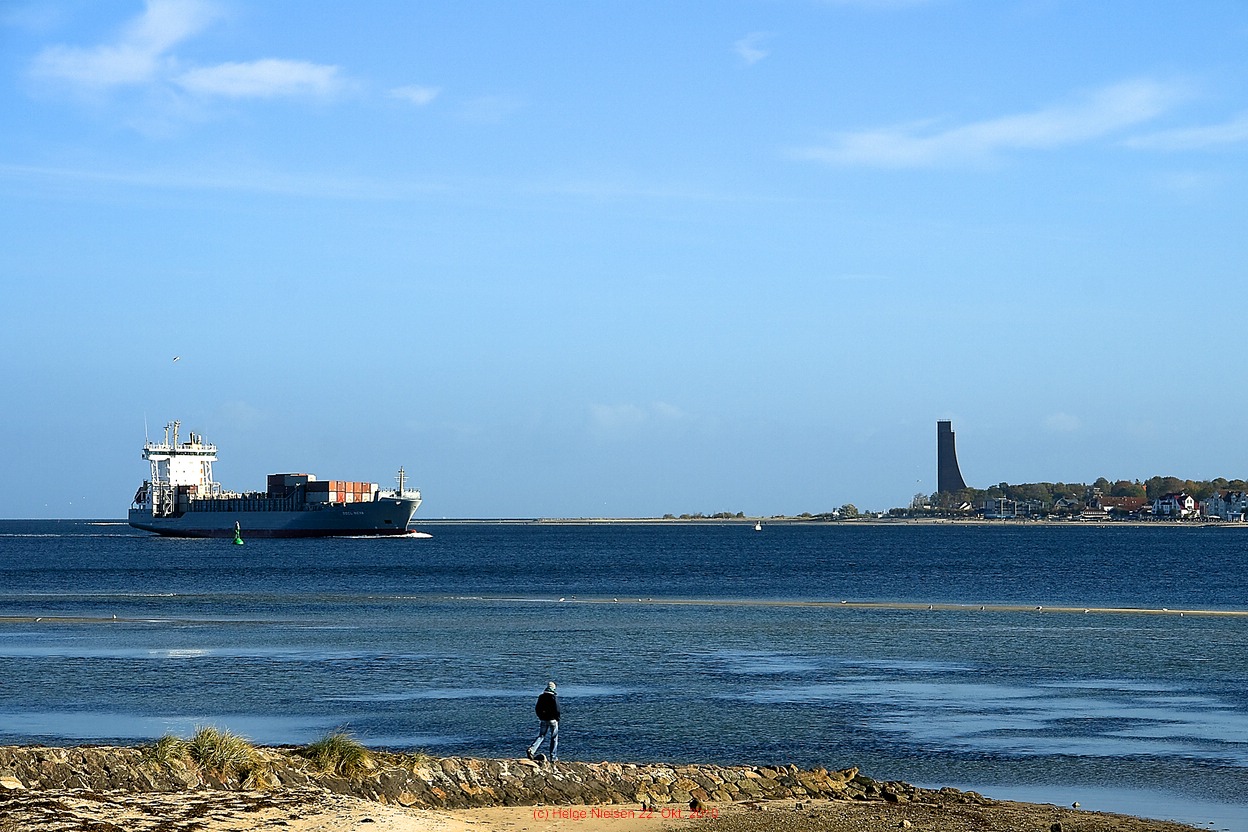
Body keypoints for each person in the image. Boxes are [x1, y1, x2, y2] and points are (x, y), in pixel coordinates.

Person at [526, 681, 560, 762]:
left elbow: (537, 708)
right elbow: (557, 709)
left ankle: (532, 749)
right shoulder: (553, 697)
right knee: (554, 738)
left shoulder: (541, 697)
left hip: (543, 719)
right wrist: (557, 718)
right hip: (553, 720)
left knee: (541, 736)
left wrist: (540, 716)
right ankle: (553, 757)